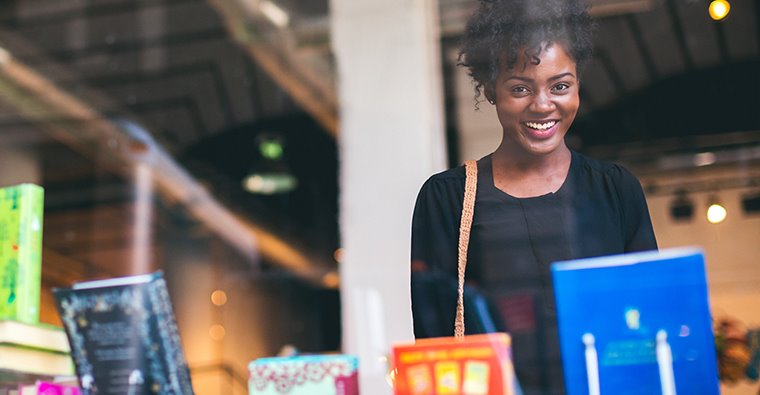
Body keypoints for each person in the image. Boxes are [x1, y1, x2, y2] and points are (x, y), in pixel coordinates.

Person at [409, 0, 658, 393]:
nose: (543, 105)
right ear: (491, 90)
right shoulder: (447, 200)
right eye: (520, 88)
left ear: (578, 84)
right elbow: (435, 347)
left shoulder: (615, 189)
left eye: (561, 85)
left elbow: (646, 322)